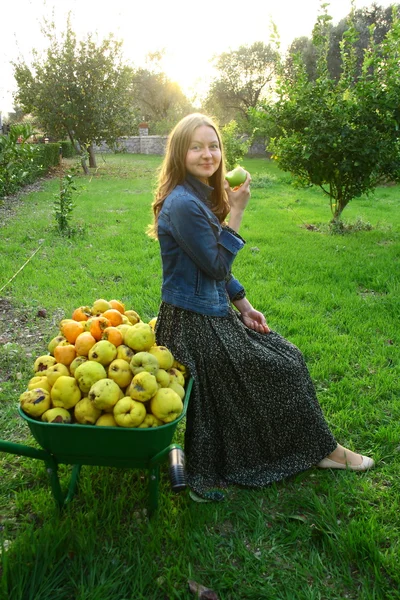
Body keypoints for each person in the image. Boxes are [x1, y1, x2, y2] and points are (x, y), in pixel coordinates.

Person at [148, 113, 374, 502]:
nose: (208, 154)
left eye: (214, 145)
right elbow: (217, 264)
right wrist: (237, 212)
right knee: (283, 365)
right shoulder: (183, 204)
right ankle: (324, 452)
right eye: (197, 147)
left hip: (212, 315)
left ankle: (317, 449)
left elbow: (210, 266)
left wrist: (245, 306)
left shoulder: (197, 195)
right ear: (179, 153)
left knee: (285, 357)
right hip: (192, 325)